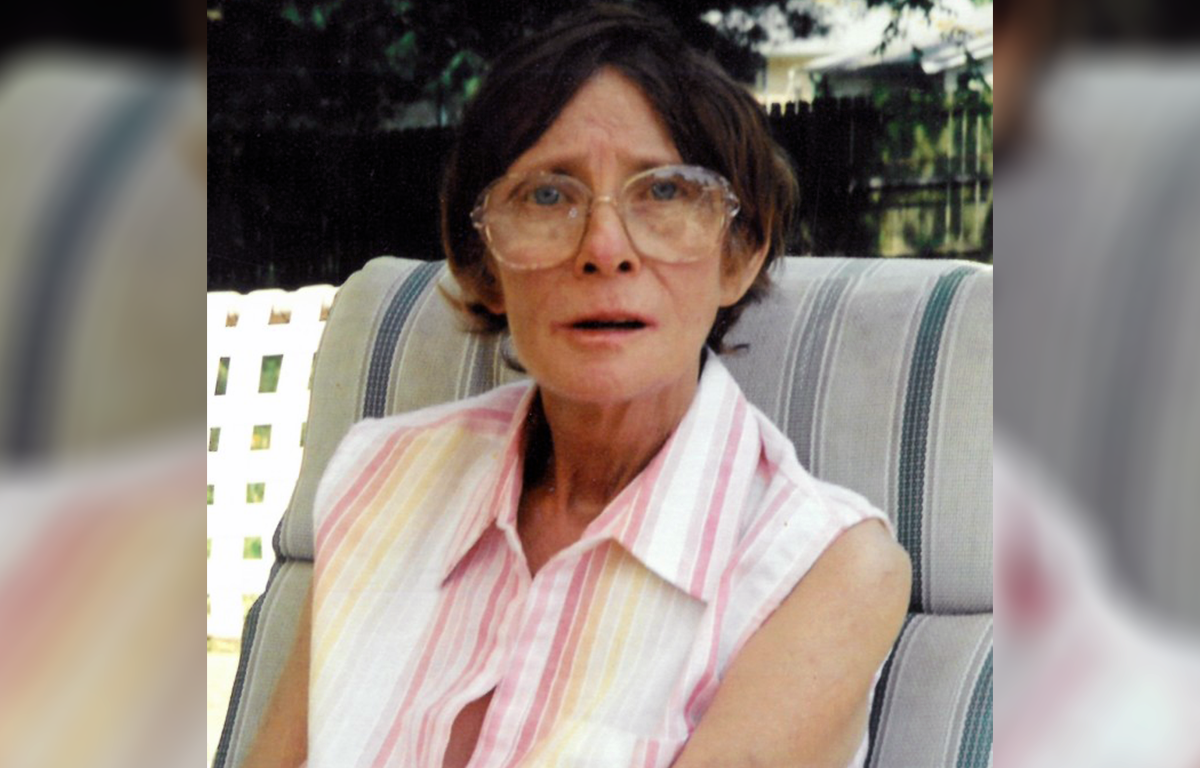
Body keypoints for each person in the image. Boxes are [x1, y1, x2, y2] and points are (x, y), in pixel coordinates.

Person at [246, 6, 909, 767]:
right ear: (480, 264)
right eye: (547, 196)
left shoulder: (823, 569)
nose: (603, 248)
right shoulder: (380, 475)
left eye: (666, 193)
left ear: (740, 255)